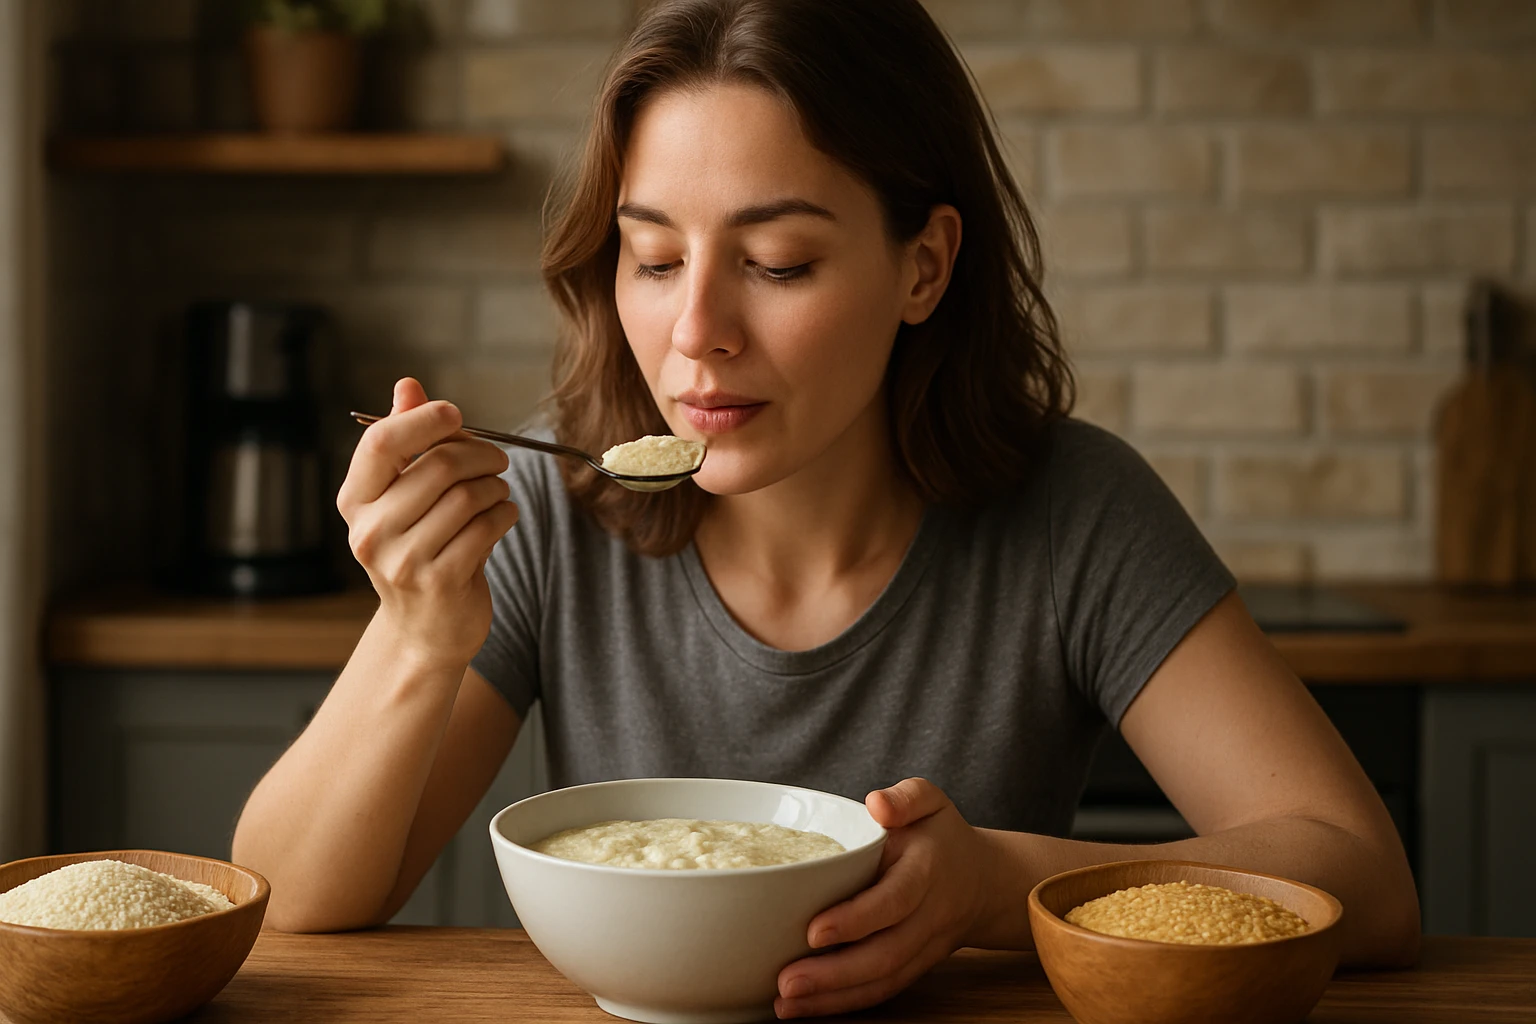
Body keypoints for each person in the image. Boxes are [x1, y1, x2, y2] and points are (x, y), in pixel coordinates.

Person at [232, 0, 1421, 1016]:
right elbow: (290, 901)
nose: (696, 332)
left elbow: (1361, 880)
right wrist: (414, 632)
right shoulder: (553, 508)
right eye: (652, 259)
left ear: (925, 266)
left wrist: (991, 887)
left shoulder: (1075, 512)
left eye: (779, 261)